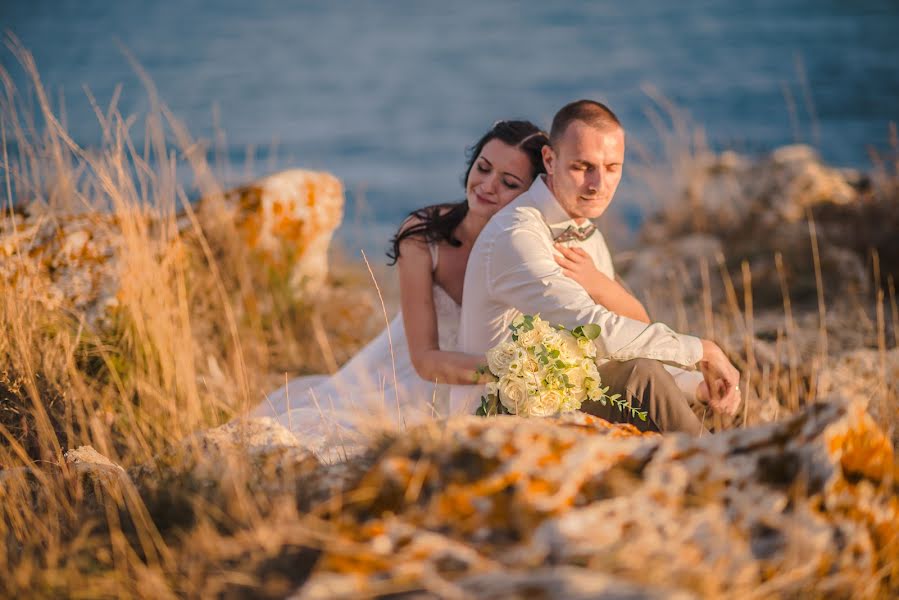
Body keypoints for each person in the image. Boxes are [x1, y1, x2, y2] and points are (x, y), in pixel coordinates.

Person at [250, 120, 550, 457]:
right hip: (406, 377)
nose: (487, 185)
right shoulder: (424, 235)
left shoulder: (534, 249)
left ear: (532, 195)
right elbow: (423, 360)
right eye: (483, 168)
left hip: (483, 388)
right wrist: (512, 371)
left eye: (508, 182)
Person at [451, 100, 741, 435]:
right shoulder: (516, 236)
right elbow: (593, 329)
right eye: (582, 167)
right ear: (550, 160)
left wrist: (695, 386)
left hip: (563, 396)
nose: (598, 184)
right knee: (639, 377)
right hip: (499, 415)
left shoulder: (588, 235)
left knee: (647, 378)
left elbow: (609, 352)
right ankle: (720, 473)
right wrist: (701, 350)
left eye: (612, 168)